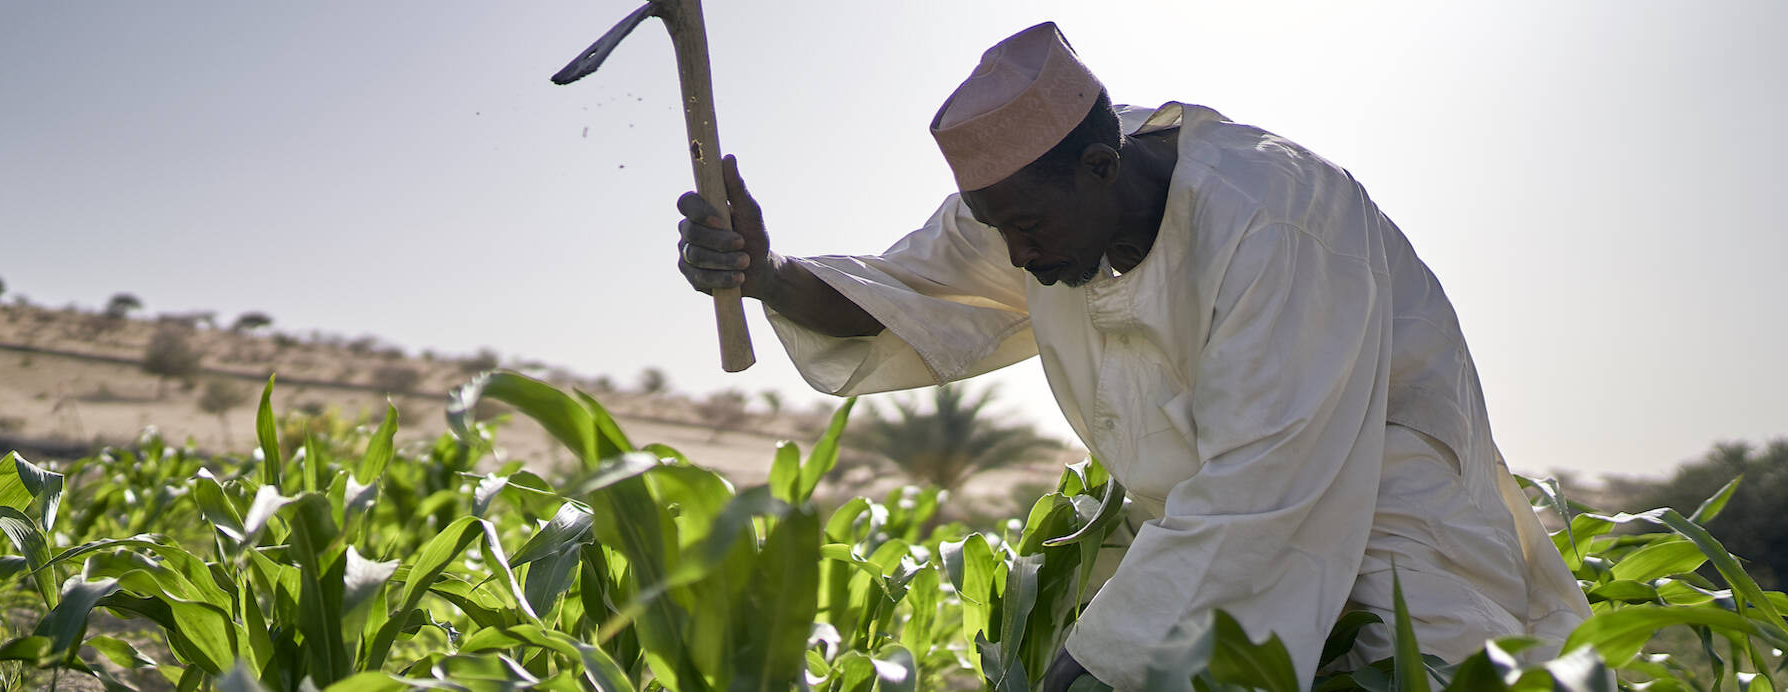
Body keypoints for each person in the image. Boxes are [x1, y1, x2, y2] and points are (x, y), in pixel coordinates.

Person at [673, 22, 1590, 691]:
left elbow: (1266, 483)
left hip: (1390, 534)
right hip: (1203, 539)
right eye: (1001, 234)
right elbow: (906, 294)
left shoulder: (1273, 217)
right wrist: (767, 273)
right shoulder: (1026, 201)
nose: (1019, 258)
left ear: (1104, 169)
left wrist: (1099, 661)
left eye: (1028, 230)